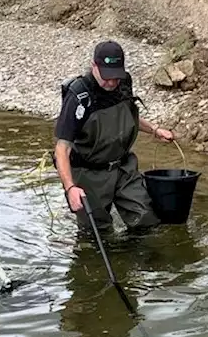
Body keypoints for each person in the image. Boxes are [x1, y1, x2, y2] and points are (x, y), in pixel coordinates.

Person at [54, 40, 177, 233]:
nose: (111, 82)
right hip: (89, 174)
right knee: (97, 232)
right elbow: (62, 148)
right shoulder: (78, 96)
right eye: (106, 77)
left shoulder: (124, 83)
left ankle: (142, 260)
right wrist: (70, 188)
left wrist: (154, 129)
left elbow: (129, 115)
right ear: (94, 66)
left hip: (122, 167)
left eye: (115, 76)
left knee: (146, 218)